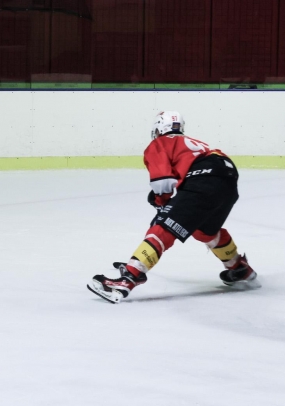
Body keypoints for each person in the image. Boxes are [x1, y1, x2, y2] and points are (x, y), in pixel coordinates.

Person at [88, 111, 258, 303]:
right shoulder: (193, 142)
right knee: (204, 231)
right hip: (227, 179)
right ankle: (239, 269)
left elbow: (163, 181)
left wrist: (162, 204)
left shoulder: (159, 143)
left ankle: (128, 279)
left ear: (160, 127)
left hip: (204, 178)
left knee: (163, 228)